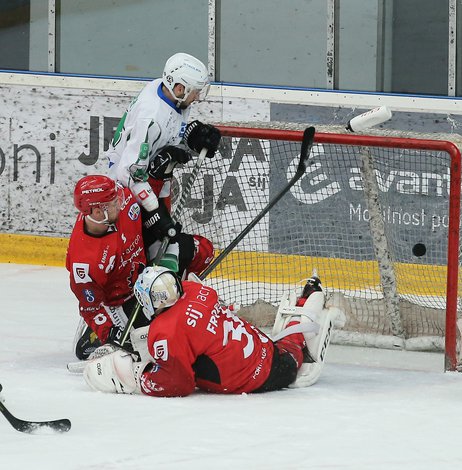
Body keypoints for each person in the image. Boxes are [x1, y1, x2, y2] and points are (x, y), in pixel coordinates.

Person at [82, 267, 344, 396]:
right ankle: (305, 301)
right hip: (258, 346)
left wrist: (139, 378)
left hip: (263, 374)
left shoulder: (167, 331)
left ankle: (308, 310)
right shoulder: (196, 291)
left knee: (291, 356)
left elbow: (179, 383)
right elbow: (189, 328)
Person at [106, 52, 217, 275]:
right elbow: (127, 173)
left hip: (152, 180)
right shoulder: (151, 117)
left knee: (165, 250)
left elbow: (169, 130)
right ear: (179, 88)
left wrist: (192, 137)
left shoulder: (167, 93)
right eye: (195, 91)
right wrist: (154, 212)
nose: (196, 97)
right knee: (149, 257)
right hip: (127, 195)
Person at [66, 175, 149, 359]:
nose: (120, 202)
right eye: (113, 203)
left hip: (144, 275)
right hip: (119, 301)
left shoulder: (118, 200)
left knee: (199, 252)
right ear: (97, 213)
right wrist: (110, 332)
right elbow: (91, 306)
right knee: (148, 344)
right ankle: (96, 335)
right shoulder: (84, 262)